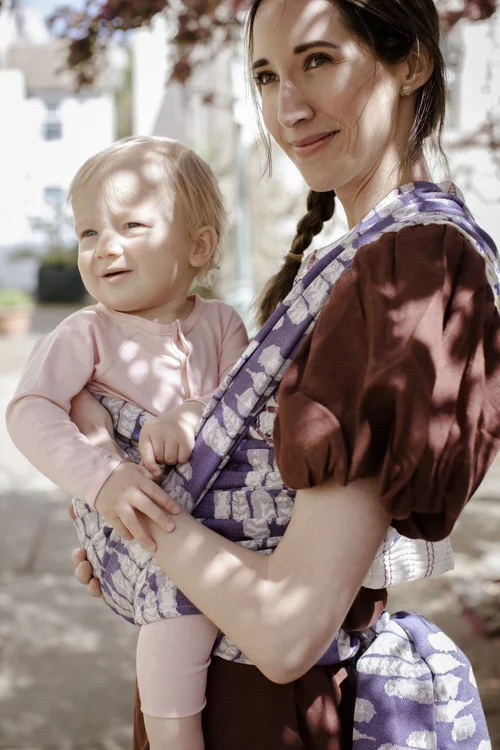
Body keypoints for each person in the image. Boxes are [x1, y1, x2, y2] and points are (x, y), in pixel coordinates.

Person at [69, 0, 500, 747]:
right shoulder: (363, 256)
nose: (287, 108)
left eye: (318, 60)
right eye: (266, 76)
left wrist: (135, 519)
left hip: (274, 717)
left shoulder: (409, 268)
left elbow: (286, 629)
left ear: (411, 63)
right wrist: (158, 562)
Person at [6, 136, 249, 750]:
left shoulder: (222, 323)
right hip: (157, 531)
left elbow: (249, 405)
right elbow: (30, 410)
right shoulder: (86, 332)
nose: (103, 247)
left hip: (234, 534)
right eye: (88, 232)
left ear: (198, 246)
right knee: (177, 627)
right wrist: (102, 477)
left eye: (131, 225)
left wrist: (194, 411)